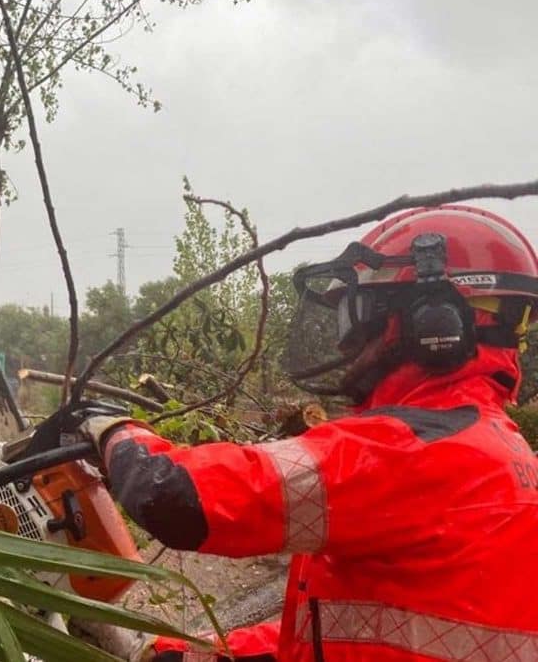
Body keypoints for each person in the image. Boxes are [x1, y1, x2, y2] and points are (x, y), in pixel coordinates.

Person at [69, 206, 538, 661]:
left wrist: (112, 428)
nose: (346, 343)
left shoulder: (409, 450)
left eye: (359, 317)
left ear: (436, 321)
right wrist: (184, 654)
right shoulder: (503, 453)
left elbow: (173, 494)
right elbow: (343, 629)